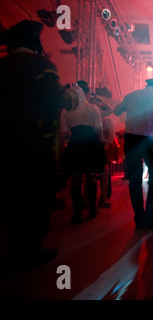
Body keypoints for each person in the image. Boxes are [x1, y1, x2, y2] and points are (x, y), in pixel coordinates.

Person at [0, 20, 69, 269]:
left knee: (13, 199)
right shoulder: (41, 65)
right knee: (37, 198)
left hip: (5, 145)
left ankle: (15, 249)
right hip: (35, 145)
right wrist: (69, 96)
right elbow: (53, 100)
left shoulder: (3, 65)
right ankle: (31, 250)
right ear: (34, 42)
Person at [113, 78, 153, 229]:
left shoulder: (132, 95)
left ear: (146, 84)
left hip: (131, 139)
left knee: (134, 181)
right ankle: (150, 218)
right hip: (150, 141)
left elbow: (116, 110)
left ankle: (139, 218)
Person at [60, 85, 107, 224]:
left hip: (75, 146)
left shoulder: (65, 111)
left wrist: (71, 141)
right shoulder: (93, 108)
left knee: (75, 180)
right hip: (91, 145)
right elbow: (99, 129)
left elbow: (64, 134)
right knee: (91, 178)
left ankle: (77, 214)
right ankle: (92, 210)